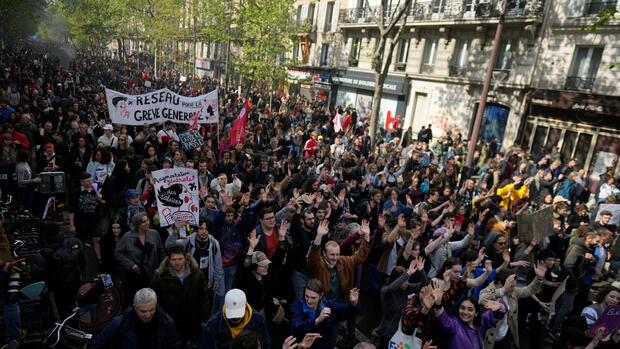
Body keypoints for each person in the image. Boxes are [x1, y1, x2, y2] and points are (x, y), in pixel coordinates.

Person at [478, 261, 548, 349]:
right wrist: (503, 290)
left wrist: (538, 278)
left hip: (506, 337)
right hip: (490, 340)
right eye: (511, 286)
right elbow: (481, 300)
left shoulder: (513, 291)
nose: (513, 288)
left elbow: (528, 290)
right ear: (500, 283)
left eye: (514, 285)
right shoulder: (489, 290)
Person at [150, 244, 210, 346]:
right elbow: (154, 300)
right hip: (169, 323)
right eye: (174, 260)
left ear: (186, 258)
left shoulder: (197, 275)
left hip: (192, 322)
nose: (177, 263)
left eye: (180, 259)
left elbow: (203, 298)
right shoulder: (159, 277)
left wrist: (204, 318)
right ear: (168, 260)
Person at [423, 280, 508, 349]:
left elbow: (496, 315)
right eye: (462, 308)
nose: (465, 312)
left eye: (470, 309)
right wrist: (438, 304)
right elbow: (444, 320)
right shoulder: (455, 324)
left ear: (476, 313)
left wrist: (501, 306)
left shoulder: (480, 325)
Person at [91, 288, 181, 349]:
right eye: (143, 311)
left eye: (151, 309)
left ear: (156, 305)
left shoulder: (166, 322)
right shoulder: (119, 322)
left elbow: (175, 345)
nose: (148, 315)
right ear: (135, 307)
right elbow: (98, 344)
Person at [165, 217, 223, 310]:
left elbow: (218, 263)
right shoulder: (187, 241)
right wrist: (175, 231)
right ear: (196, 229)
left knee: (205, 307)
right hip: (190, 283)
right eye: (201, 228)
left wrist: (217, 280)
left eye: (206, 229)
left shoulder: (214, 243)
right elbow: (168, 246)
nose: (204, 232)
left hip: (207, 283)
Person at [290, 279, 361, 349]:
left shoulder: (329, 305)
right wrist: (316, 321)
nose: (309, 301)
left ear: (321, 296)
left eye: (313, 298)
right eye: (306, 296)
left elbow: (347, 312)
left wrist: (354, 304)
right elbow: (295, 328)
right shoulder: (298, 307)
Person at [115, 212, 165, 306]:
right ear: (137, 224)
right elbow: (118, 253)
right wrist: (131, 265)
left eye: (147, 220)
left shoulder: (154, 234)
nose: (147, 223)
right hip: (135, 276)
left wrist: (162, 268)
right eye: (144, 222)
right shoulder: (127, 237)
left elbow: (160, 252)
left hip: (152, 274)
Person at [200, 288, 271, 349]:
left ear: (245, 306)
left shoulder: (257, 320)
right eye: (232, 313)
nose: (235, 318)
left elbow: (265, 344)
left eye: (238, 313)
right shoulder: (212, 325)